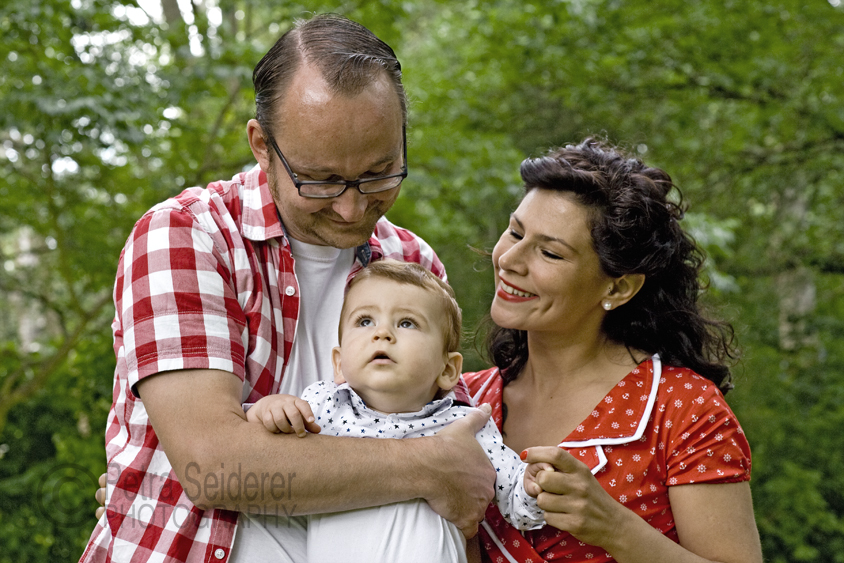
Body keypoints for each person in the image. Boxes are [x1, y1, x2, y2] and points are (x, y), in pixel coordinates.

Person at [80, 14, 495, 563]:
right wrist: (425, 465)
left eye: (379, 173)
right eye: (320, 180)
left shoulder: (412, 263)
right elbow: (213, 467)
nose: (352, 208)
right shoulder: (187, 237)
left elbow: (461, 457)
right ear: (261, 144)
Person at [463, 138, 763, 562]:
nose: (510, 258)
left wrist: (616, 528)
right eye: (515, 231)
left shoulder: (684, 410)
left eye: (549, 252)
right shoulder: (461, 401)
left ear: (618, 286)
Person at [242, 260, 544, 562]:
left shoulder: (463, 426)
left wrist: (534, 486)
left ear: (448, 369)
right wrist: (269, 409)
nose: (382, 333)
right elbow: (263, 445)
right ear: (338, 362)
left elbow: (518, 505)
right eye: (364, 321)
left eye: (407, 323)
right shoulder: (324, 406)